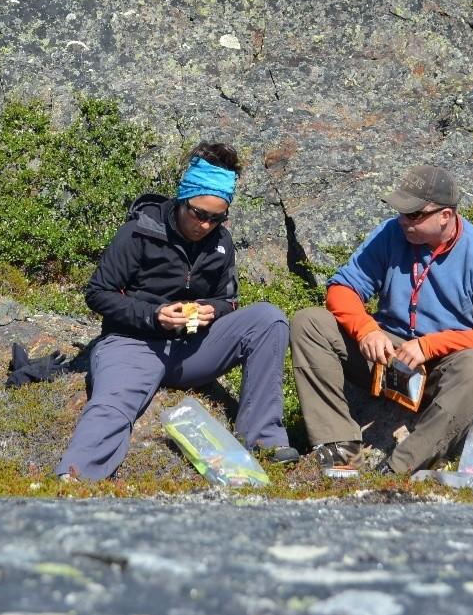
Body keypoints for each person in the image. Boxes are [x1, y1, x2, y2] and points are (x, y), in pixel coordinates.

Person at [56, 142, 296, 479]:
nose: (205, 225)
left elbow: (228, 299)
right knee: (114, 403)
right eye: (199, 213)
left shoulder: (220, 243)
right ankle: (75, 477)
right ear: (183, 198)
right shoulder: (139, 232)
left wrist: (209, 309)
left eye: (216, 218)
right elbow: (98, 293)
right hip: (132, 344)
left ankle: (265, 440)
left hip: (191, 349)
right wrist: (154, 315)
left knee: (269, 318)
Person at [290, 165, 473, 476]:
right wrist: (366, 330)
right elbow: (342, 288)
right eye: (401, 212)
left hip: (443, 365)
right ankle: (340, 457)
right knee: (309, 322)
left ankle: (399, 469)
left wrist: (431, 345)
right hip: (386, 354)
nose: (403, 221)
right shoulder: (391, 234)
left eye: (413, 215)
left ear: (446, 216)